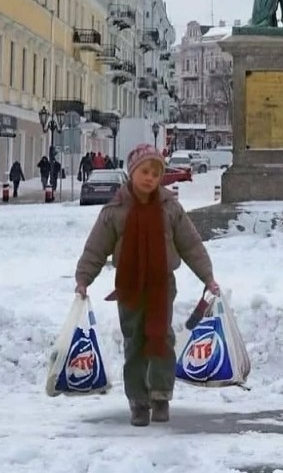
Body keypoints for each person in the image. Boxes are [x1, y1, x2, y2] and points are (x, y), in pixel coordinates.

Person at [74, 143, 221, 427]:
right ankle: (138, 402)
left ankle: (161, 396)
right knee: (135, 342)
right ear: (132, 173)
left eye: (156, 172)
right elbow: (95, 248)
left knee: (161, 338)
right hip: (129, 285)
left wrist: (208, 277)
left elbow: (190, 245)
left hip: (162, 284)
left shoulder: (170, 207)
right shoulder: (115, 209)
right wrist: (83, 279)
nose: (150, 177)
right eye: (145, 171)